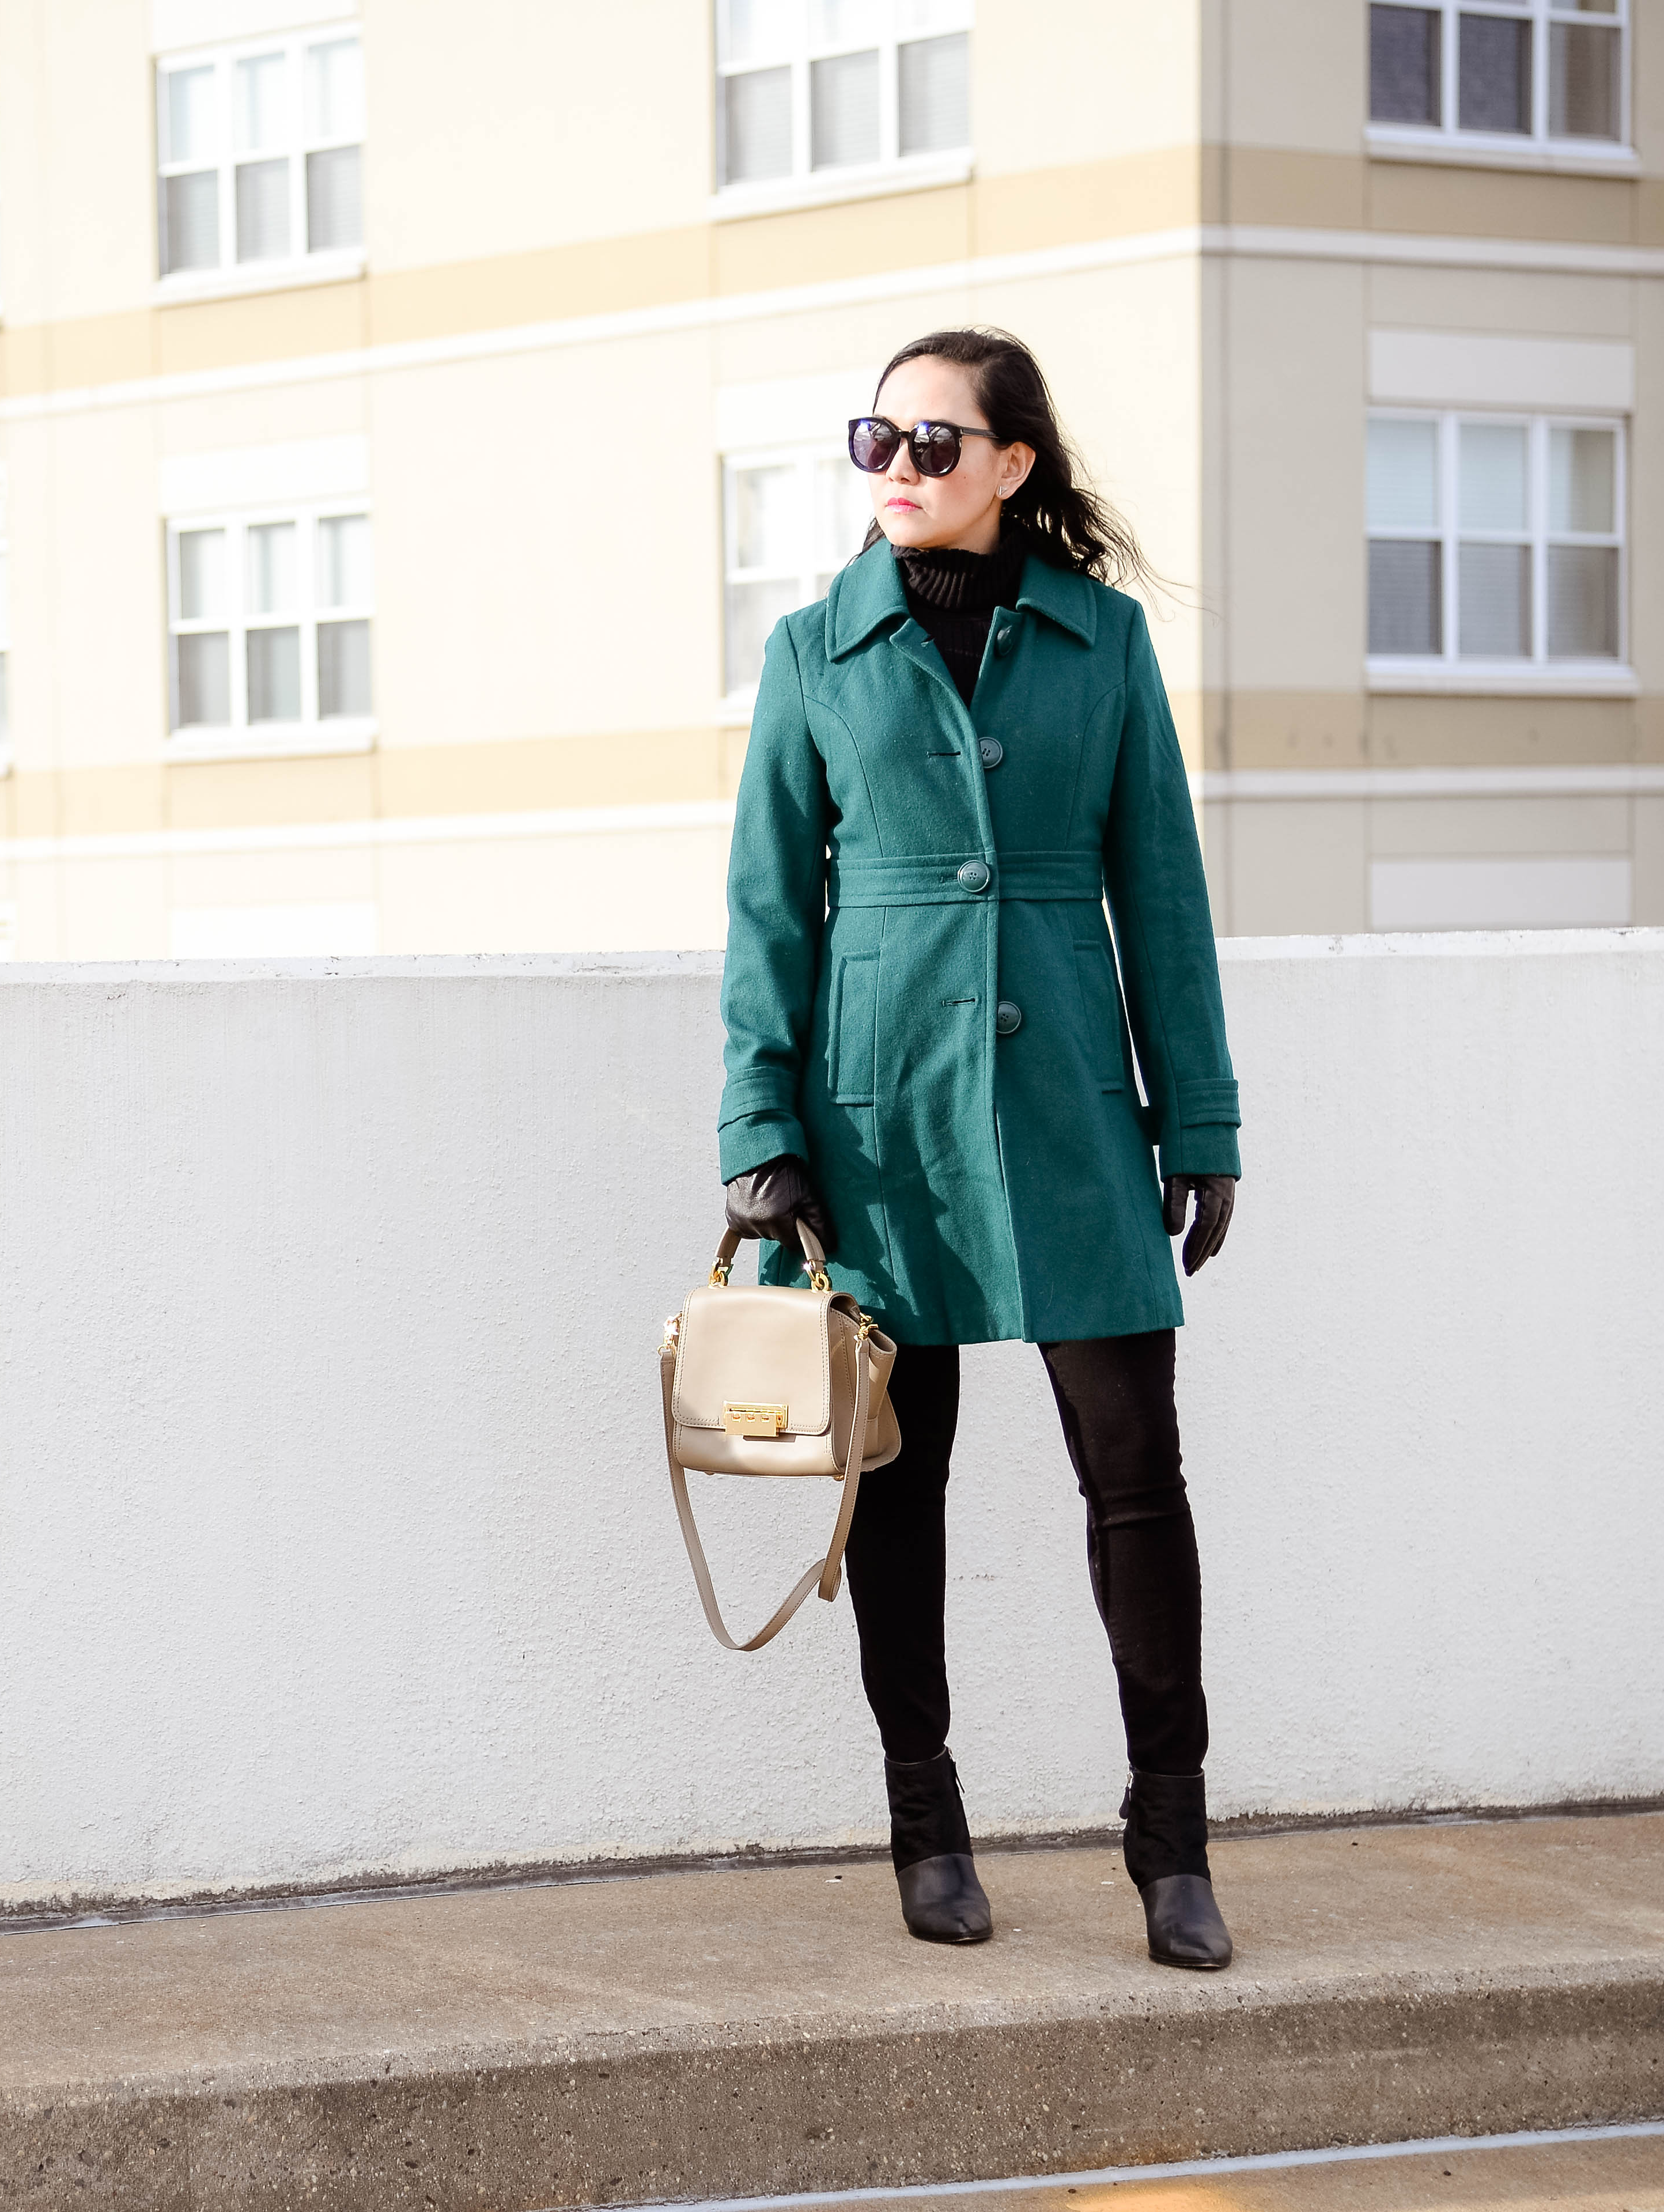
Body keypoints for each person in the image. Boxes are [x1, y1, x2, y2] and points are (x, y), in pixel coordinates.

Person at [717, 327, 1242, 1970]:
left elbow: (1161, 890)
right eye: (876, 438)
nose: (896, 470)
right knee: (902, 1485)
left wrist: (1200, 1112)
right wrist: (760, 1129)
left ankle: (1173, 1838)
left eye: (933, 444)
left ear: (1015, 464)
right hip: (882, 1123)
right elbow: (764, 913)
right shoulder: (816, 651)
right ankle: (924, 1821)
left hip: (1076, 1101)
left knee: (1135, 1481)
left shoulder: (1105, 645)